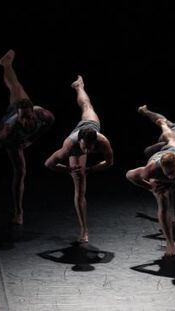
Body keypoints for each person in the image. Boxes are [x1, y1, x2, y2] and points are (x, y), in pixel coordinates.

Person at [0, 49, 54, 225]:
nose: (25, 120)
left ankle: (6, 63)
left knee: (17, 87)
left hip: (24, 128)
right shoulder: (10, 129)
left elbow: (46, 126)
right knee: (20, 171)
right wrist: (0, 143)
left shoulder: (44, 116)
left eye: (28, 116)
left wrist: (31, 140)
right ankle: (18, 212)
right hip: (12, 138)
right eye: (22, 117)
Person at [45, 75, 113, 243]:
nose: (88, 151)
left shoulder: (102, 141)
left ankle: (79, 86)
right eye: (85, 147)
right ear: (80, 141)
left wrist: (91, 169)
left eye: (90, 148)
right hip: (75, 148)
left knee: (87, 105)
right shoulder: (70, 145)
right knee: (79, 187)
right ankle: (84, 230)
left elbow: (110, 163)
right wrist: (68, 170)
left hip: (90, 124)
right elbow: (49, 163)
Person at [126, 118, 175, 256]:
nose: (170, 177)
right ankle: (170, 243)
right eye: (168, 174)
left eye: (173, 174)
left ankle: (163, 124)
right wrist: (150, 187)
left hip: (174, 150)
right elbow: (130, 175)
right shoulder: (151, 169)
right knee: (163, 202)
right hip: (157, 170)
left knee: (171, 138)